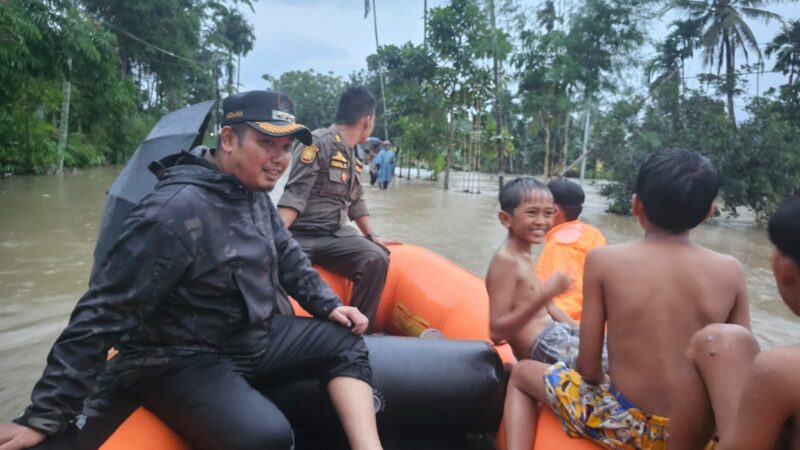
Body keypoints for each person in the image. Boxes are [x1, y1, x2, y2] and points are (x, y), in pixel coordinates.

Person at [0, 91, 383, 450]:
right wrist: (44, 414)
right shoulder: (173, 211)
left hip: (248, 337)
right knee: (268, 435)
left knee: (346, 339)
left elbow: (288, 255)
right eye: (266, 143)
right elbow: (102, 311)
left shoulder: (252, 194)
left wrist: (328, 304)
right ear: (229, 139)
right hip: (178, 358)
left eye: (286, 146)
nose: (280, 158)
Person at [502, 149, 750, 450]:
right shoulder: (731, 271)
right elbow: (740, 366)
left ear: (636, 205)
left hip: (626, 424)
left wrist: (604, 379)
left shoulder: (605, 261)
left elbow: (589, 366)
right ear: (708, 212)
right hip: (694, 436)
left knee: (522, 375)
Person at [688, 194, 800, 450]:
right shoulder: (730, 268)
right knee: (723, 340)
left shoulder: (783, 371)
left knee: (714, 341)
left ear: (784, 270)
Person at [278, 87, 392, 330]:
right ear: (367, 121)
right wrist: (271, 237)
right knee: (275, 265)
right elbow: (294, 195)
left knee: (377, 258)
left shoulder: (354, 155)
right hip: (300, 235)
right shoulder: (316, 142)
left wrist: (372, 236)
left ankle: (359, 331)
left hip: (333, 236)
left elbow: (357, 201)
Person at [486, 177, 607, 369]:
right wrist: (547, 293)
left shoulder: (523, 255)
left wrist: (581, 330)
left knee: (621, 346)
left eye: (548, 213)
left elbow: (549, 307)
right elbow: (497, 331)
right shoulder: (506, 261)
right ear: (505, 219)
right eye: (532, 213)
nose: (542, 221)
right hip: (543, 345)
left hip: (557, 332)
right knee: (620, 364)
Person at [535, 179, 607, 320]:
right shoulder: (592, 233)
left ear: (554, 211)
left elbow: (568, 305)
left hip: (574, 330)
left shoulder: (560, 246)